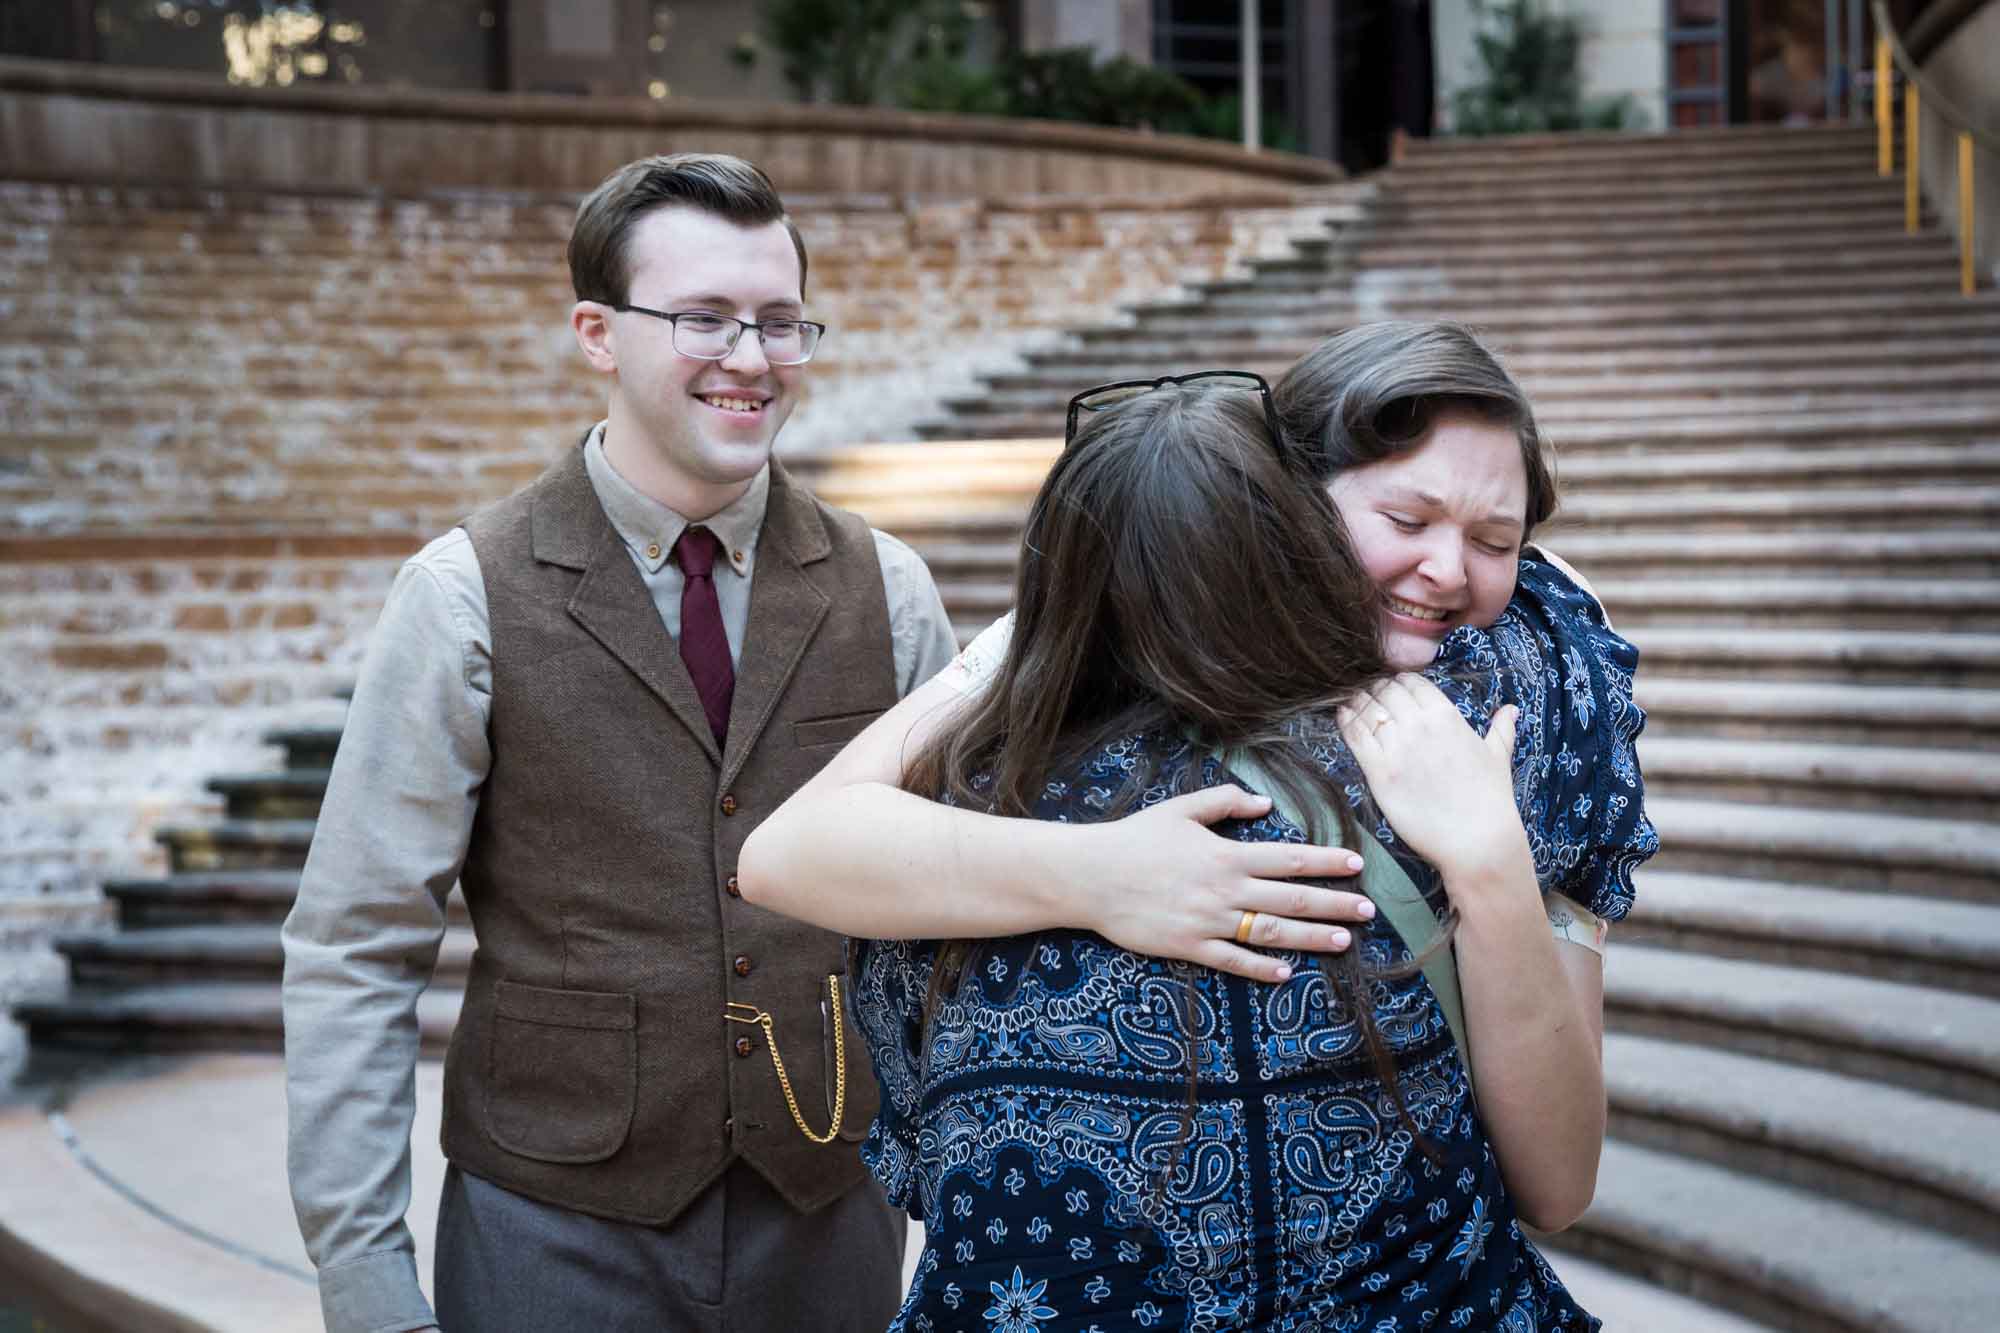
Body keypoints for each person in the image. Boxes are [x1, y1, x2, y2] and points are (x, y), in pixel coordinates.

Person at [280, 152, 958, 1333]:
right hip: (551, 1226)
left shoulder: (886, 587)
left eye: (780, 323)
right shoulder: (461, 595)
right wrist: (365, 1278)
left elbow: (957, 917)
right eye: (704, 318)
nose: (750, 360)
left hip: (832, 1210)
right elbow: (355, 946)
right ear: (597, 333)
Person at [832, 371, 1640, 1328]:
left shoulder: (966, 778)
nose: (1450, 570)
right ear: (1292, 514)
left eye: (1496, 542)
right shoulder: (1534, 684)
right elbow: (785, 852)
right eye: (1406, 519)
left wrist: (1494, 860)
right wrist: (1101, 877)